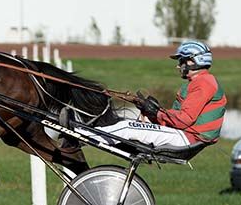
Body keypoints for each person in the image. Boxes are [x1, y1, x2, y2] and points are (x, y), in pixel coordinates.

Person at [75, 40, 227, 149]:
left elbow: (183, 121)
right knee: (130, 124)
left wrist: (157, 112)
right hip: (185, 135)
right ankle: (86, 135)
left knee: (126, 127)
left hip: (187, 138)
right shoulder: (198, 82)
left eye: (181, 61)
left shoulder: (203, 83)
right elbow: (178, 117)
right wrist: (152, 113)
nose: (178, 65)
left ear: (193, 61)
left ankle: (82, 136)